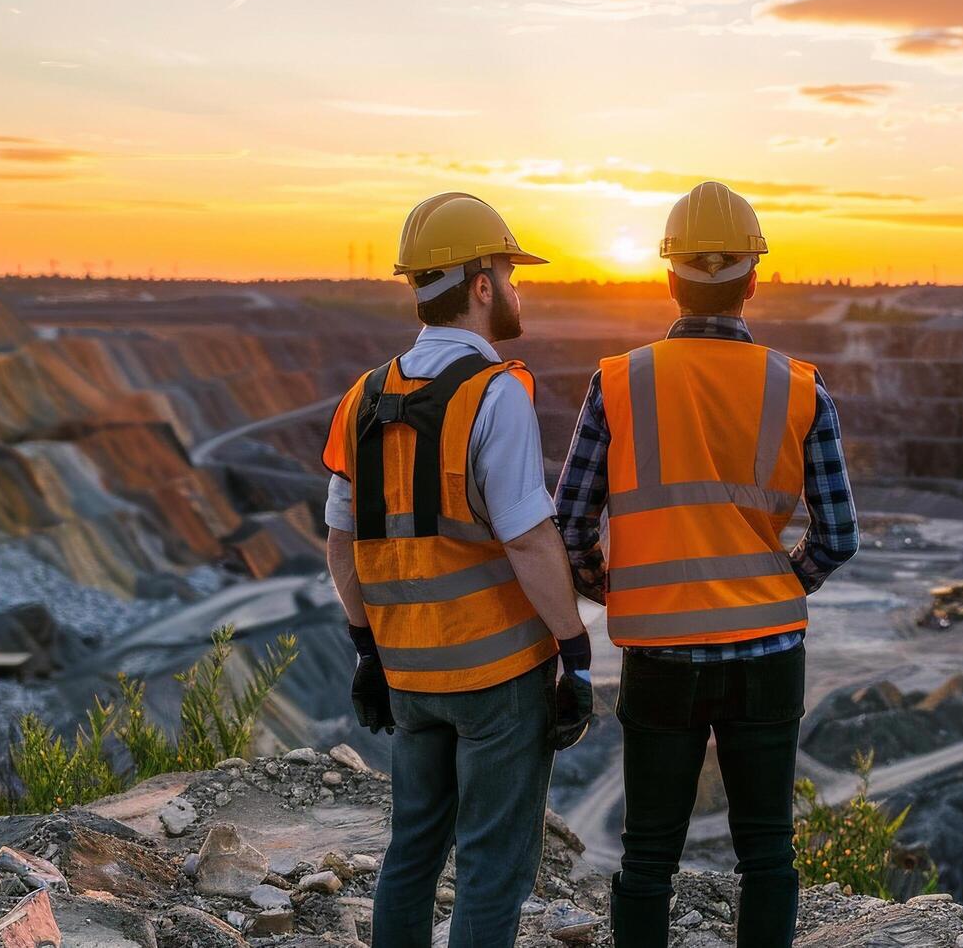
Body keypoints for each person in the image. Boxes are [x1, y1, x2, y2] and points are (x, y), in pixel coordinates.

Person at [555, 181, 858, 946]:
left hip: (659, 651)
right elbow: (838, 534)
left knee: (649, 853)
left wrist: (609, 583)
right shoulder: (798, 386)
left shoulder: (619, 382)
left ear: (668, 278)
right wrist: (785, 582)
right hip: (768, 651)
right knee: (767, 851)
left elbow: (568, 523)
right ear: (753, 280)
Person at [322, 192, 597, 948]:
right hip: (497, 677)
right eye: (511, 272)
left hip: (410, 676)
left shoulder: (364, 397)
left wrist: (366, 650)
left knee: (412, 852)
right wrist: (574, 653)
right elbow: (530, 540)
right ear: (481, 284)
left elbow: (341, 541)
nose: (518, 288)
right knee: (491, 866)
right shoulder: (495, 393)